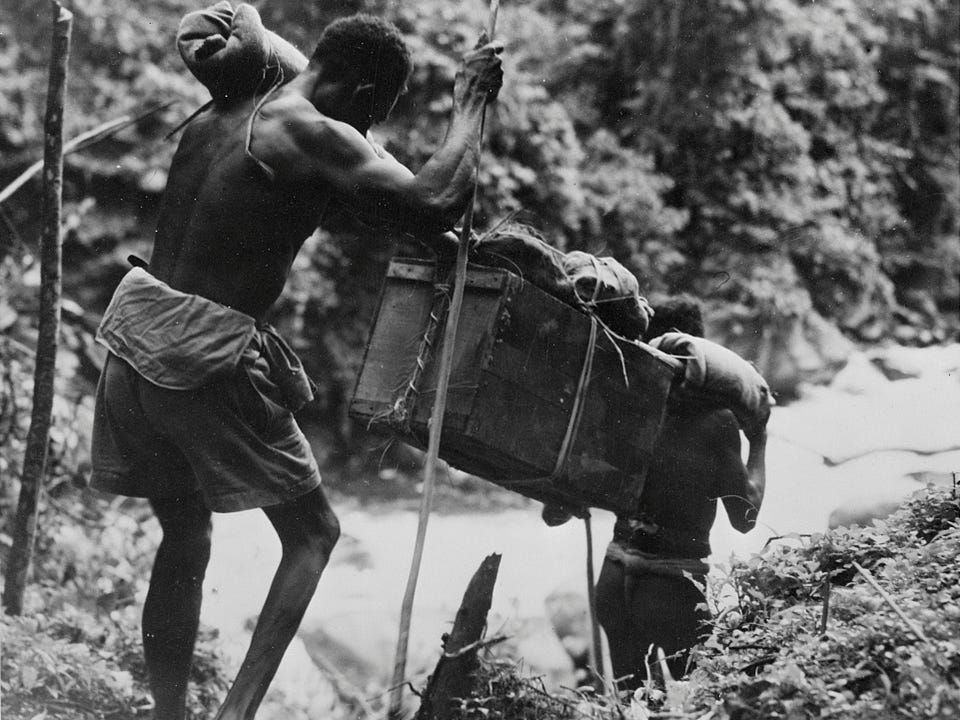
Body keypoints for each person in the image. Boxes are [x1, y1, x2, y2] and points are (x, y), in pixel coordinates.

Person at [90, 13, 503, 720]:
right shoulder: (306, 128)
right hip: (197, 357)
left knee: (185, 530)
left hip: (132, 342)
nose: (367, 131)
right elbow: (435, 200)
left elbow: (360, 189)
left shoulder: (232, 109)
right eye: (373, 112)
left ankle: (168, 716)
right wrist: (470, 101)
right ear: (360, 87)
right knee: (315, 535)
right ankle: (235, 714)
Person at [593, 296, 765, 692]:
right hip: (670, 590)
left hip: (614, 579)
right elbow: (745, 519)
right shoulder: (717, 422)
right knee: (692, 698)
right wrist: (759, 441)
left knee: (626, 699)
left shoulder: (629, 405)